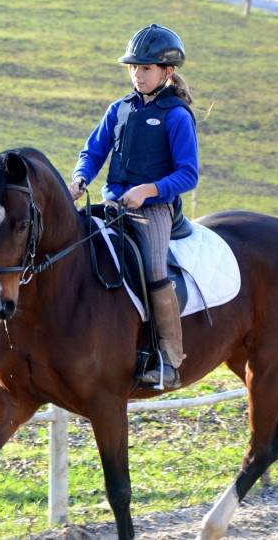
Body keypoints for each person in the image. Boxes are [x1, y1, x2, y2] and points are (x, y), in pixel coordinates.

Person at [69, 24, 198, 389]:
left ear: (166, 72)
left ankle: (169, 360)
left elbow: (188, 174)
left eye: (146, 68)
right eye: (134, 68)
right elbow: (93, 151)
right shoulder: (120, 108)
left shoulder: (176, 115)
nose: (138, 75)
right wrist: (80, 178)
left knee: (154, 270)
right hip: (113, 202)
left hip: (153, 210)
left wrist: (148, 190)